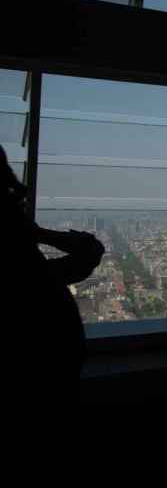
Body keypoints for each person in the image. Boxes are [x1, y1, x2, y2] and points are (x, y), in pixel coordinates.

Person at [2, 146, 104, 460]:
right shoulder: (25, 272)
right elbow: (88, 254)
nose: (20, 195)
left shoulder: (26, 270)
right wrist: (39, 233)